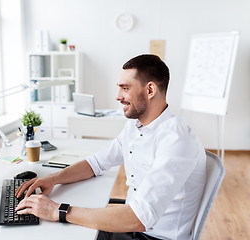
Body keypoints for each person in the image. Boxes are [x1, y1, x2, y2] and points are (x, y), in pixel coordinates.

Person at [15, 54, 206, 240]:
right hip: (131, 226)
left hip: (150, 235)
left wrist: (59, 210)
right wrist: (53, 179)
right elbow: (96, 163)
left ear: (150, 90)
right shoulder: (135, 125)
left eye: (125, 88)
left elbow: (138, 218)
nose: (117, 96)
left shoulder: (176, 139)